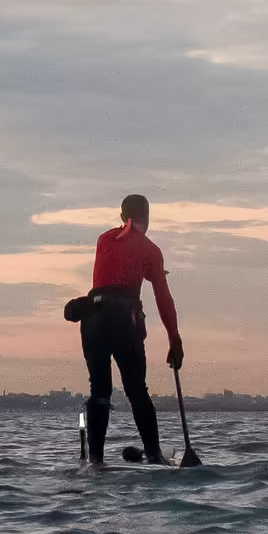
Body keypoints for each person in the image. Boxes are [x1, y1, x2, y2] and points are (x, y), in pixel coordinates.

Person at [80, 194, 184, 465]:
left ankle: (96, 461)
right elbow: (163, 297)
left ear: (120, 215)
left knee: (100, 391)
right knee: (136, 389)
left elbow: (119, 263)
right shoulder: (151, 250)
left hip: (92, 318)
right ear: (148, 218)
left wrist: (151, 270)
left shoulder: (103, 240)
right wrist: (175, 340)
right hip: (124, 319)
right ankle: (154, 455)